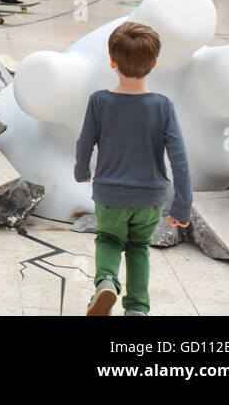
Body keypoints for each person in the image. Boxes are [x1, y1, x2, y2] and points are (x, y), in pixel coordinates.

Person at [76, 22, 192, 316]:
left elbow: (85, 143)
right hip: (150, 198)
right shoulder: (163, 106)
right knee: (139, 248)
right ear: (154, 63)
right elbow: (179, 159)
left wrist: (81, 171)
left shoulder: (99, 101)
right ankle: (138, 309)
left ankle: (105, 281)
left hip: (110, 194)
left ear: (112, 60)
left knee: (109, 239)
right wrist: (182, 206)